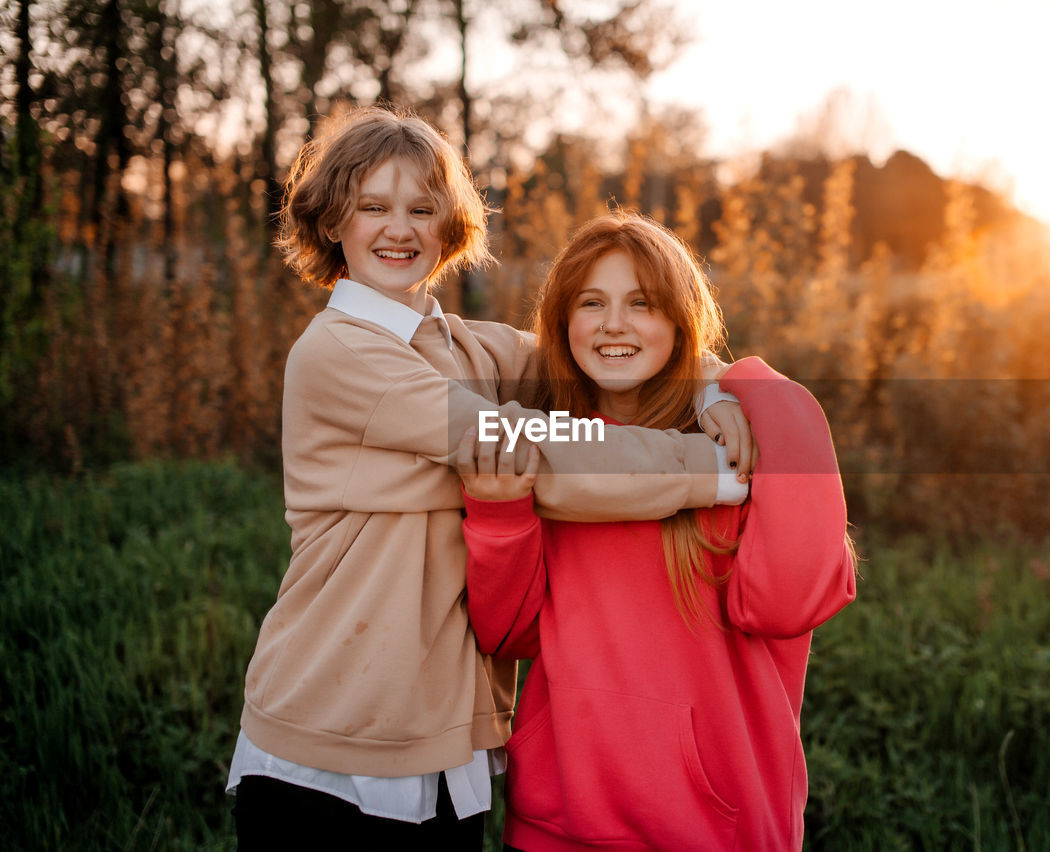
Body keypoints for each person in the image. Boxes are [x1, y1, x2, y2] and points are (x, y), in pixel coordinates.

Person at [226, 106, 753, 849]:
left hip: (448, 746)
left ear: (451, 228)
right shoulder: (337, 352)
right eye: (373, 206)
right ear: (332, 221)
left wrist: (714, 386)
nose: (399, 228)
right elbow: (534, 449)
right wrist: (719, 472)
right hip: (328, 745)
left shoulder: (469, 347)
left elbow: (603, 345)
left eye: (422, 208)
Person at [457, 211, 858, 851]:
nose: (614, 324)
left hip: (716, 828)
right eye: (592, 303)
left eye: (642, 303)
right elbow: (509, 633)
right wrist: (502, 515)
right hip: (558, 825)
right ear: (564, 324)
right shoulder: (551, 449)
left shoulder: (733, 446)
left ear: (680, 319)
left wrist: (737, 382)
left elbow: (795, 600)